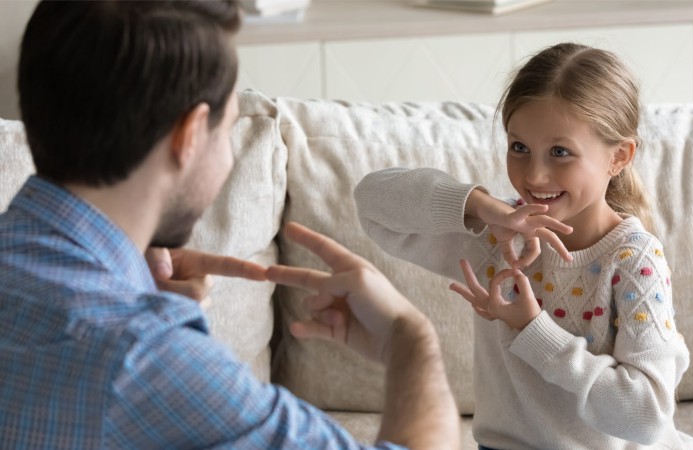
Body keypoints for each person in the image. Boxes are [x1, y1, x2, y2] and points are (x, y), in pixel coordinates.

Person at [0, 1, 459, 449]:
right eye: (227, 131)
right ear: (191, 134)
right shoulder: (144, 359)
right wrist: (409, 336)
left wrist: (129, 283)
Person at [355, 43, 693, 449]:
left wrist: (531, 329)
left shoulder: (634, 259)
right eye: (519, 148)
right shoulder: (495, 235)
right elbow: (372, 202)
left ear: (619, 157)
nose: (535, 175)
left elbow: (647, 417)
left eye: (560, 152)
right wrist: (479, 207)